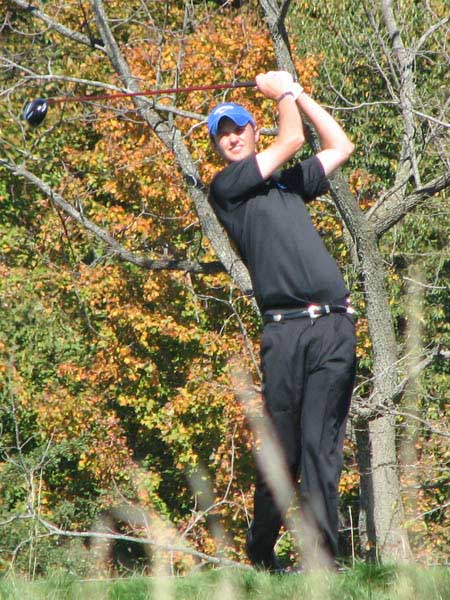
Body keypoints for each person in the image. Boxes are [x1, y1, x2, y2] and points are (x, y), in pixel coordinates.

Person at [207, 71, 357, 572]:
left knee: (321, 450)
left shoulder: (290, 185)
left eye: (238, 128)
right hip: (285, 333)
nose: (231, 137)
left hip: (333, 328)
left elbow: (341, 143)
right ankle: (261, 550)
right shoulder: (228, 189)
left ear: (252, 132)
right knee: (284, 454)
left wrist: (300, 91)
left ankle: (322, 565)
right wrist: (283, 94)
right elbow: (292, 137)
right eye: (221, 133)